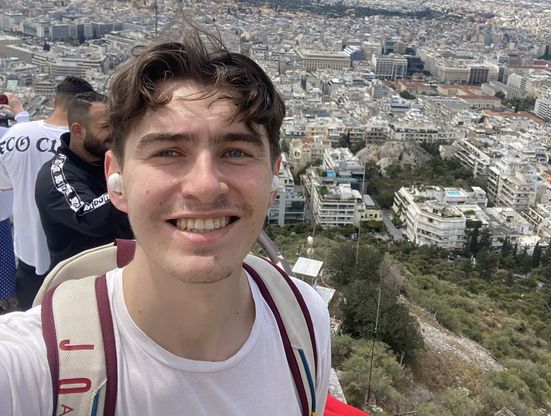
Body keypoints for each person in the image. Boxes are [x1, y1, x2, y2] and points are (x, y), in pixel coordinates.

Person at [0, 31, 331, 415]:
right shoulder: (33, 367)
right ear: (116, 179)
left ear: (273, 177)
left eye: (236, 151)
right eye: (169, 151)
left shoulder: (304, 322)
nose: (205, 186)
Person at [0, 76, 94, 310]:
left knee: (33, 324)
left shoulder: (13, 137)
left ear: (54, 101)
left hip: (28, 250)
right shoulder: (85, 143)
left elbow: (5, 185)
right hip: (77, 255)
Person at [35, 91, 132, 270]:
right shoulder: (56, 175)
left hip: (124, 276)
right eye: (106, 127)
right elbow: (90, 217)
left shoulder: (109, 159)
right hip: (81, 286)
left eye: (116, 125)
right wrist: (132, 180)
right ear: (78, 131)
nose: (115, 133)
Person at [0, 94, 30, 313]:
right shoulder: (7, 136)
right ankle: (6, 297)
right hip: (3, 212)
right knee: (5, 261)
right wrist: (20, 112)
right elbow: (27, 139)